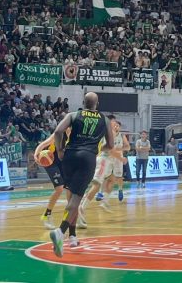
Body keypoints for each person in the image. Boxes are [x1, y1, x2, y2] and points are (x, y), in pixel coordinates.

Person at [49, 92, 114, 257]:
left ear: (83, 103)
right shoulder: (104, 119)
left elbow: (58, 132)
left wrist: (60, 150)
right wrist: (98, 149)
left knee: (71, 199)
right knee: (76, 199)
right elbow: (111, 145)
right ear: (97, 104)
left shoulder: (73, 115)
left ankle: (72, 236)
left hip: (69, 157)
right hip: (87, 158)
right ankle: (60, 231)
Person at [78, 116, 125, 227]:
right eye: (114, 122)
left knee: (111, 179)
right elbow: (109, 149)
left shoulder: (107, 132)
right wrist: (121, 158)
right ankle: (82, 207)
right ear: (110, 123)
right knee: (96, 185)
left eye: (116, 123)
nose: (115, 125)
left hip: (106, 161)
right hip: (103, 160)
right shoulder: (110, 133)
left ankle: (104, 201)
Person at [34, 125, 72, 229]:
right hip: (50, 160)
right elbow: (43, 144)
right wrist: (36, 154)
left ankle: (71, 215)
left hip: (62, 161)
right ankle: (47, 215)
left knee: (70, 189)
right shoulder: (58, 134)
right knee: (59, 188)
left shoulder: (75, 137)